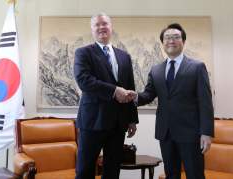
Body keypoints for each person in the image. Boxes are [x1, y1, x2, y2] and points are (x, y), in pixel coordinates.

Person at [131, 23, 214, 179]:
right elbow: (148, 95)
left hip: (191, 133)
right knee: (171, 175)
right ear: (162, 43)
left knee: (195, 174)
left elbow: (205, 102)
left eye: (176, 37)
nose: (171, 41)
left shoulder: (197, 67)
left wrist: (206, 133)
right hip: (166, 132)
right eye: (167, 38)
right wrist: (134, 97)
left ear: (183, 41)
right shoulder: (156, 70)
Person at [73, 13, 138, 179]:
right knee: (85, 170)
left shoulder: (124, 56)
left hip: (118, 123)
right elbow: (84, 81)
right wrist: (114, 91)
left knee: (112, 171)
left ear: (111, 26)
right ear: (92, 30)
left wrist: (132, 119)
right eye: (97, 25)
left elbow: (130, 87)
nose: (101, 27)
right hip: (92, 122)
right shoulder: (83, 53)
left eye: (105, 24)